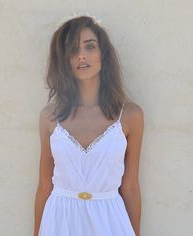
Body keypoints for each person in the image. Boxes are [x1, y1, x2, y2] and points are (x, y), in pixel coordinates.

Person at [34, 15, 144, 236]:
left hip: (110, 220)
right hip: (59, 221)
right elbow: (45, 186)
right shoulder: (49, 116)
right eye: (72, 49)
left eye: (90, 46)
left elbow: (130, 186)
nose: (81, 55)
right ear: (63, 60)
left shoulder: (131, 115)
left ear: (102, 53)